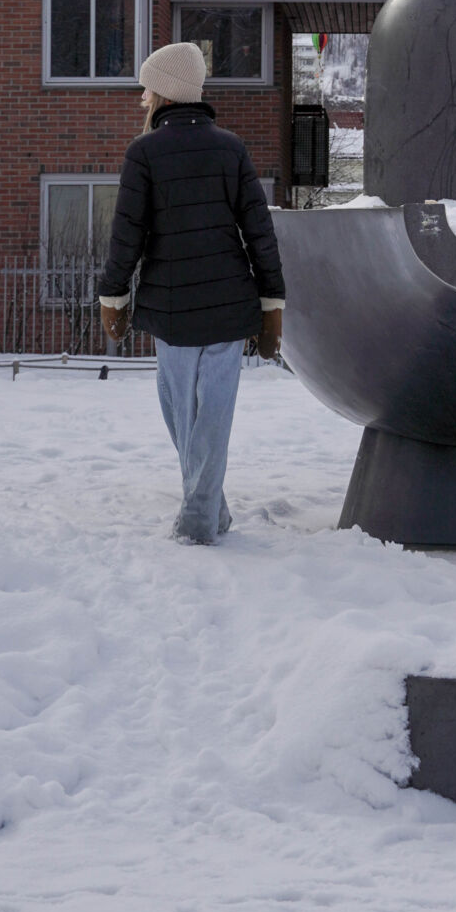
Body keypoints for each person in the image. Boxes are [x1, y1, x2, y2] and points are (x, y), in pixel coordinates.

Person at [97, 41, 286, 544]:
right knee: (214, 414)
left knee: (182, 411)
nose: (142, 96)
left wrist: (112, 297)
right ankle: (211, 508)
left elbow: (127, 236)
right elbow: (259, 233)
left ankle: (199, 518)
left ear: (166, 93)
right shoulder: (232, 149)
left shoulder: (144, 153)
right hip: (230, 307)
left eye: (148, 86)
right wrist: (272, 306)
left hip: (172, 309)